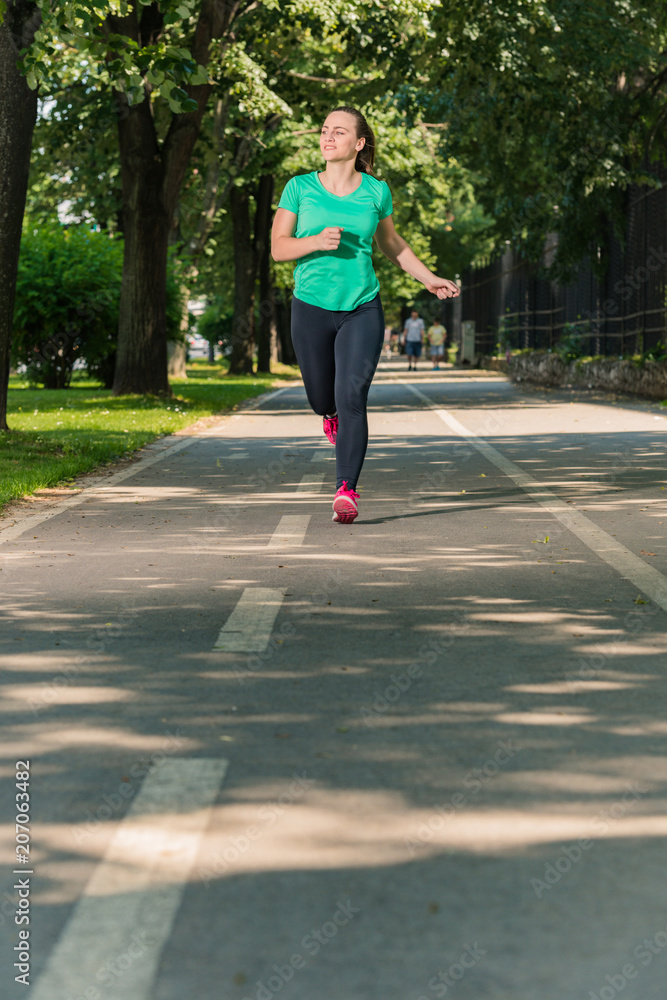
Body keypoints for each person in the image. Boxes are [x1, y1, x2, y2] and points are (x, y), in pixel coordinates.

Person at [271, 105, 460, 524]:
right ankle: (330, 417)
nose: (327, 137)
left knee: (352, 396)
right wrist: (315, 241)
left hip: (362, 307)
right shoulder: (299, 188)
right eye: (324, 131)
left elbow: (391, 243)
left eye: (338, 132)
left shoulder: (376, 191)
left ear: (358, 143)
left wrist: (428, 278)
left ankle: (346, 489)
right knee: (323, 399)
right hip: (311, 307)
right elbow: (279, 247)